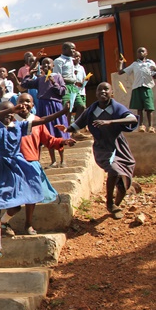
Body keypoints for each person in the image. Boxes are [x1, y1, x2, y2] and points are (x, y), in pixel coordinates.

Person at [0, 101, 70, 262]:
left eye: (10, 113)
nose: (8, 115)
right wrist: (12, 109)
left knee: (16, 207)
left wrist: (62, 112)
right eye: (4, 112)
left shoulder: (19, 127)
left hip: (14, 169)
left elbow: (41, 121)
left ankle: (5, 222)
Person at [61, 82, 137, 219]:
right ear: (96, 94)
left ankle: (116, 204)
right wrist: (66, 129)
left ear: (111, 92)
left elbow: (131, 118)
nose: (103, 91)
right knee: (113, 169)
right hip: (102, 147)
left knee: (124, 182)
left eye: (106, 89)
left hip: (118, 145)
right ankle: (109, 203)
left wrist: (110, 122)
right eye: (99, 89)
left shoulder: (116, 107)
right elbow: (78, 123)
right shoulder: (92, 110)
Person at [14, 93, 75, 235]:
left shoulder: (37, 122)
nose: (24, 104)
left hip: (31, 163)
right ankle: (4, 223)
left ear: (33, 105)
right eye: (21, 101)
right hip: (13, 165)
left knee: (32, 195)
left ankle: (28, 224)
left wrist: (63, 141)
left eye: (28, 101)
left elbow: (49, 140)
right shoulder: (10, 122)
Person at [21, 58, 70, 168]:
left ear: (53, 66)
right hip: (44, 106)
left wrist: (54, 82)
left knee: (58, 131)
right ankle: (53, 161)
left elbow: (63, 91)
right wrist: (29, 74)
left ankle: (62, 160)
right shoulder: (40, 79)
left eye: (48, 63)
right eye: (43, 64)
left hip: (56, 106)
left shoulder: (57, 77)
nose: (46, 65)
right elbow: (24, 84)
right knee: (48, 132)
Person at [118, 46, 156, 132]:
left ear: (146, 53)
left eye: (142, 51)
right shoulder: (134, 64)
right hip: (137, 87)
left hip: (147, 87)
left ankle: (151, 126)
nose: (140, 53)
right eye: (138, 52)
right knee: (139, 108)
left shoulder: (150, 63)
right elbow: (120, 72)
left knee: (149, 108)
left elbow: (154, 75)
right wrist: (120, 63)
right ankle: (141, 126)